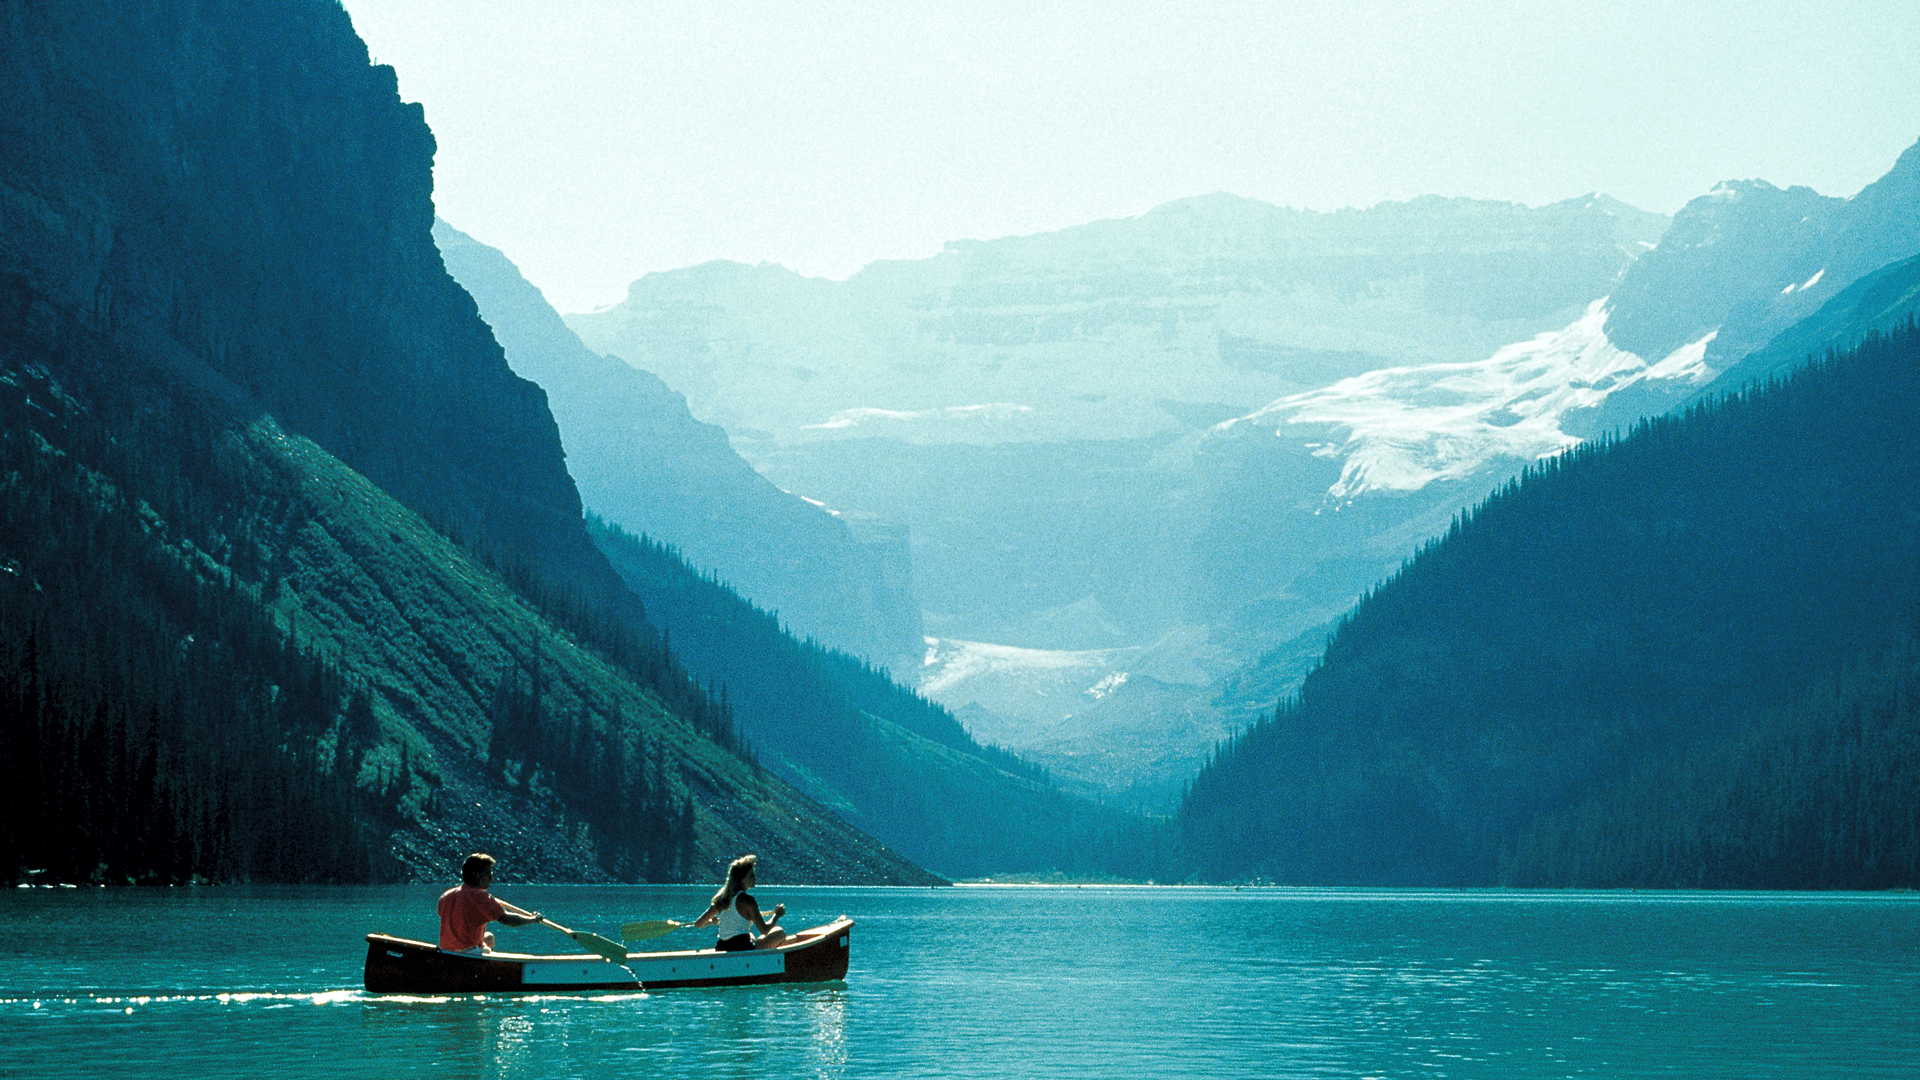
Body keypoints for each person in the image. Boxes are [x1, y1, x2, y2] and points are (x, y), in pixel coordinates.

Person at [437, 853, 543, 953]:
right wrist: (533, 919)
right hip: (469, 952)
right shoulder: (480, 897)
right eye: (488, 874)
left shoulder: (446, 896)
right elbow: (507, 920)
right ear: (475, 874)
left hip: (446, 951)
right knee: (485, 944)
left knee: (489, 938)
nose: (491, 879)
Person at [691, 854, 788, 951]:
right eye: (751, 876)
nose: (755, 879)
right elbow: (765, 930)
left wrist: (710, 922)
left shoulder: (722, 899)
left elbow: (698, 924)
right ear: (741, 879)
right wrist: (777, 915)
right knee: (780, 932)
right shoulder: (748, 900)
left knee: (751, 935)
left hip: (721, 947)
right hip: (742, 949)